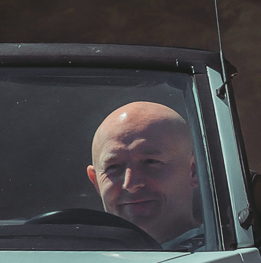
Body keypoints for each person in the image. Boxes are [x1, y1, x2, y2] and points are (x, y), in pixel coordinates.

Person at [87, 102, 204, 249]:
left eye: (150, 162)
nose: (130, 184)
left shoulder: (223, 259)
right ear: (96, 182)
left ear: (194, 171)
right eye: (113, 167)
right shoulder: (77, 260)